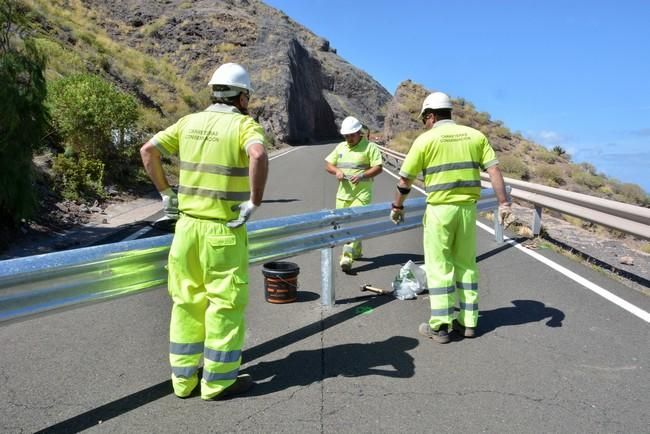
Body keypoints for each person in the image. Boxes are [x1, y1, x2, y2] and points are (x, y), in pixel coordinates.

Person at [140, 63, 268, 399]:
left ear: (213, 92)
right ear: (242, 96)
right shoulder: (244, 125)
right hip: (223, 231)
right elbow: (258, 154)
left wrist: (166, 193)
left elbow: (147, 151)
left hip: (185, 229)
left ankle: (183, 381)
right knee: (224, 305)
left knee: (186, 302)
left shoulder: (188, 123)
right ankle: (218, 382)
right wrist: (254, 201)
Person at [390, 92, 511, 344]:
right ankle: (468, 323)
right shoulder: (476, 136)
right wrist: (503, 203)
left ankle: (440, 326)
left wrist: (397, 207)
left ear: (431, 115)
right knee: (466, 265)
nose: (424, 122)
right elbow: (494, 170)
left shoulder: (425, 140)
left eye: (425, 118)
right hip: (467, 211)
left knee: (439, 267)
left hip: (439, 211)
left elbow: (405, 181)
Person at [325, 116, 383, 272]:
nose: (349, 138)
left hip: (362, 195)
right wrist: (336, 171)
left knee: (353, 225)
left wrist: (363, 175)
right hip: (343, 195)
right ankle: (357, 251)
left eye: (351, 135)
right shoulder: (341, 147)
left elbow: (378, 167)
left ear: (359, 132)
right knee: (344, 226)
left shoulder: (370, 148)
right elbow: (328, 164)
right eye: (346, 135)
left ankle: (347, 257)